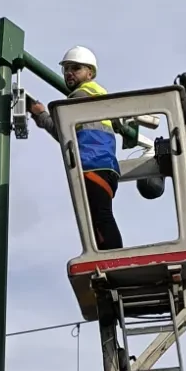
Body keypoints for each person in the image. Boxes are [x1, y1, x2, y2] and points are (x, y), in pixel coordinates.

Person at [28, 46, 123, 251]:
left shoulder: (82, 94)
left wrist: (41, 115)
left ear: (90, 73)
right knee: (98, 217)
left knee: (100, 217)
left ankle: (112, 257)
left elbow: (63, 133)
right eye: (66, 69)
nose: (69, 73)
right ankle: (107, 255)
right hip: (105, 166)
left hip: (92, 163)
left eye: (76, 68)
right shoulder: (100, 95)